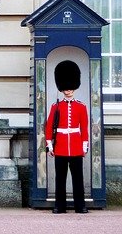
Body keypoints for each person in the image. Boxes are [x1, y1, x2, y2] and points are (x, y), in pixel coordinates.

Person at [45, 60, 89, 214]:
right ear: (62, 88)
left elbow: (84, 128)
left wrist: (84, 146)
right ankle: (60, 206)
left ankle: (80, 206)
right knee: (60, 179)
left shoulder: (81, 106)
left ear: (74, 87)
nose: (68, 90)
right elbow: (49, 126)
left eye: (70, 87)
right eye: (65, 88)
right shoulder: (56, 107)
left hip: (76, 146)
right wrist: (50, 145)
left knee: (78, 179)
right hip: (61, 146)